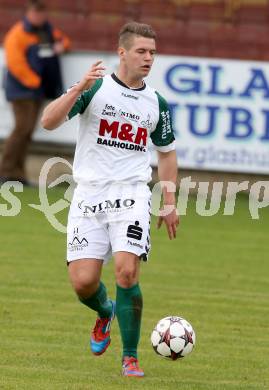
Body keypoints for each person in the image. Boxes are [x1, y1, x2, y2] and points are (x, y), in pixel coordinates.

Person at [41, 21, 179, 377]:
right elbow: (48, 122)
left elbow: (166, 154)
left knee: (127, 271)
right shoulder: (95, 88)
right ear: (122, 52)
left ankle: (130, 357)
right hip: (89, 195)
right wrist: (77, 90)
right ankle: (105, 311)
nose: (149, 58)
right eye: (141, 51)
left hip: (131, 195)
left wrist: (168, 199)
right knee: (83, 282)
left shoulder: (157, 104)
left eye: (152, 52)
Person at [0, 0, 70, 184]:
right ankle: (6, 171)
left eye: (42, 13)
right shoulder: (18, 34)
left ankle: (17, 173)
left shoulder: (47, 30)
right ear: (29, 13)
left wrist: (62, 46)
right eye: (36, 13)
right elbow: (16, 64)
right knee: (21, 130)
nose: (40, 17)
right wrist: (36, 82)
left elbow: (63, 40)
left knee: (27, 132)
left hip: (37, 91)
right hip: (21, 91)